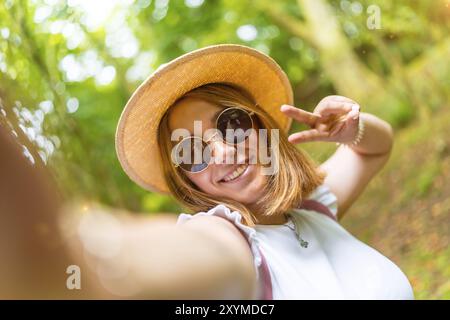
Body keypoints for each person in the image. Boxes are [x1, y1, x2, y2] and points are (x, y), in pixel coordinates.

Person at [0, 44, 414, 299]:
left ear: (261, 127)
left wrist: (353, 129)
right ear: (188, 178)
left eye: (231, 125)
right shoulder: (231, 242)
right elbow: (124, 265)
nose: (221, 153)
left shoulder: (313, 209)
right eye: (192, 151)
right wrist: (63, 252)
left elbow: (376, 149)